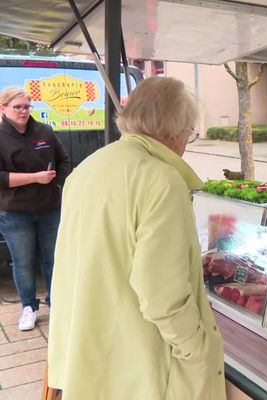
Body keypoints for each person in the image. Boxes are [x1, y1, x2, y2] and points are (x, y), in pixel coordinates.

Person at [47, 77, 226, 399]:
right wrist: (197, 348)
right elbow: (161, 295)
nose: (186, 143)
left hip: (89, 343)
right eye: (189, 133)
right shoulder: (161, 179)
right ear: (173, 132)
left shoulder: (89, 167)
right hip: (136, 360)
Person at [0, 87, 70, 331]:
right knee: (23, 262)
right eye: (17, 107)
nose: (23, 111)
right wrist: (36, 178)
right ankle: (29, 308)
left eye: (26, 106)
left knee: (53, 259)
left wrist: (57, 184)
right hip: (14, 213)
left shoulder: (44, 131)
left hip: (49, 208)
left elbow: (63, 160)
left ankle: (57, 303)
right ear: (3, 108)